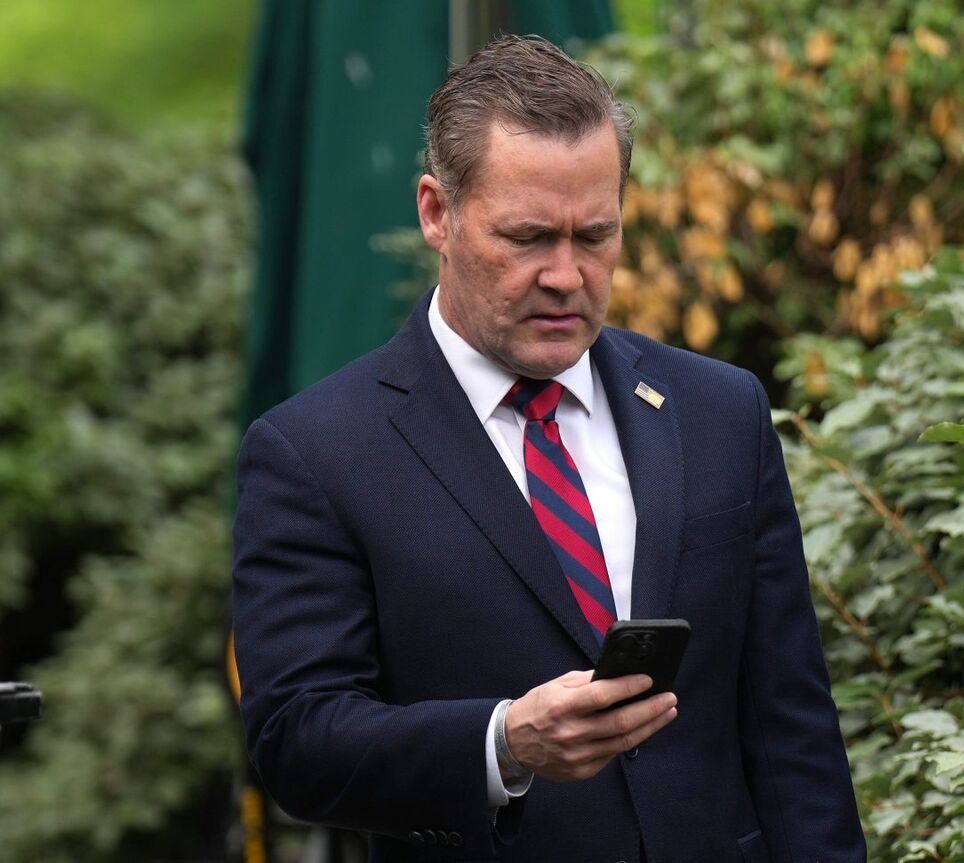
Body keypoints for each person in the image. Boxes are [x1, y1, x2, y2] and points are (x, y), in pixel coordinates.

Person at [233, 34, 866, 862]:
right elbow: (298, 739)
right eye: (528, 237)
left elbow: (793, 728)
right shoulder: (316, 452)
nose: (566, 275)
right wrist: (501, 742)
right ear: (437, 213)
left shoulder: (720, 411)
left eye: (595, 236)